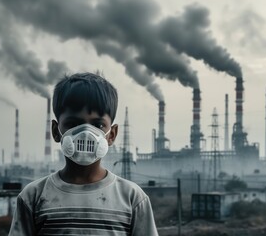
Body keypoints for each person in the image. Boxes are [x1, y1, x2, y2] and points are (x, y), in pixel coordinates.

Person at [9, 72, 158, 235]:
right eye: (73, 123)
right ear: (55, 131)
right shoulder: (33, 197)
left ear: (112, 134)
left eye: (98, 125)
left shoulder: (132, 198)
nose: (86, 133)